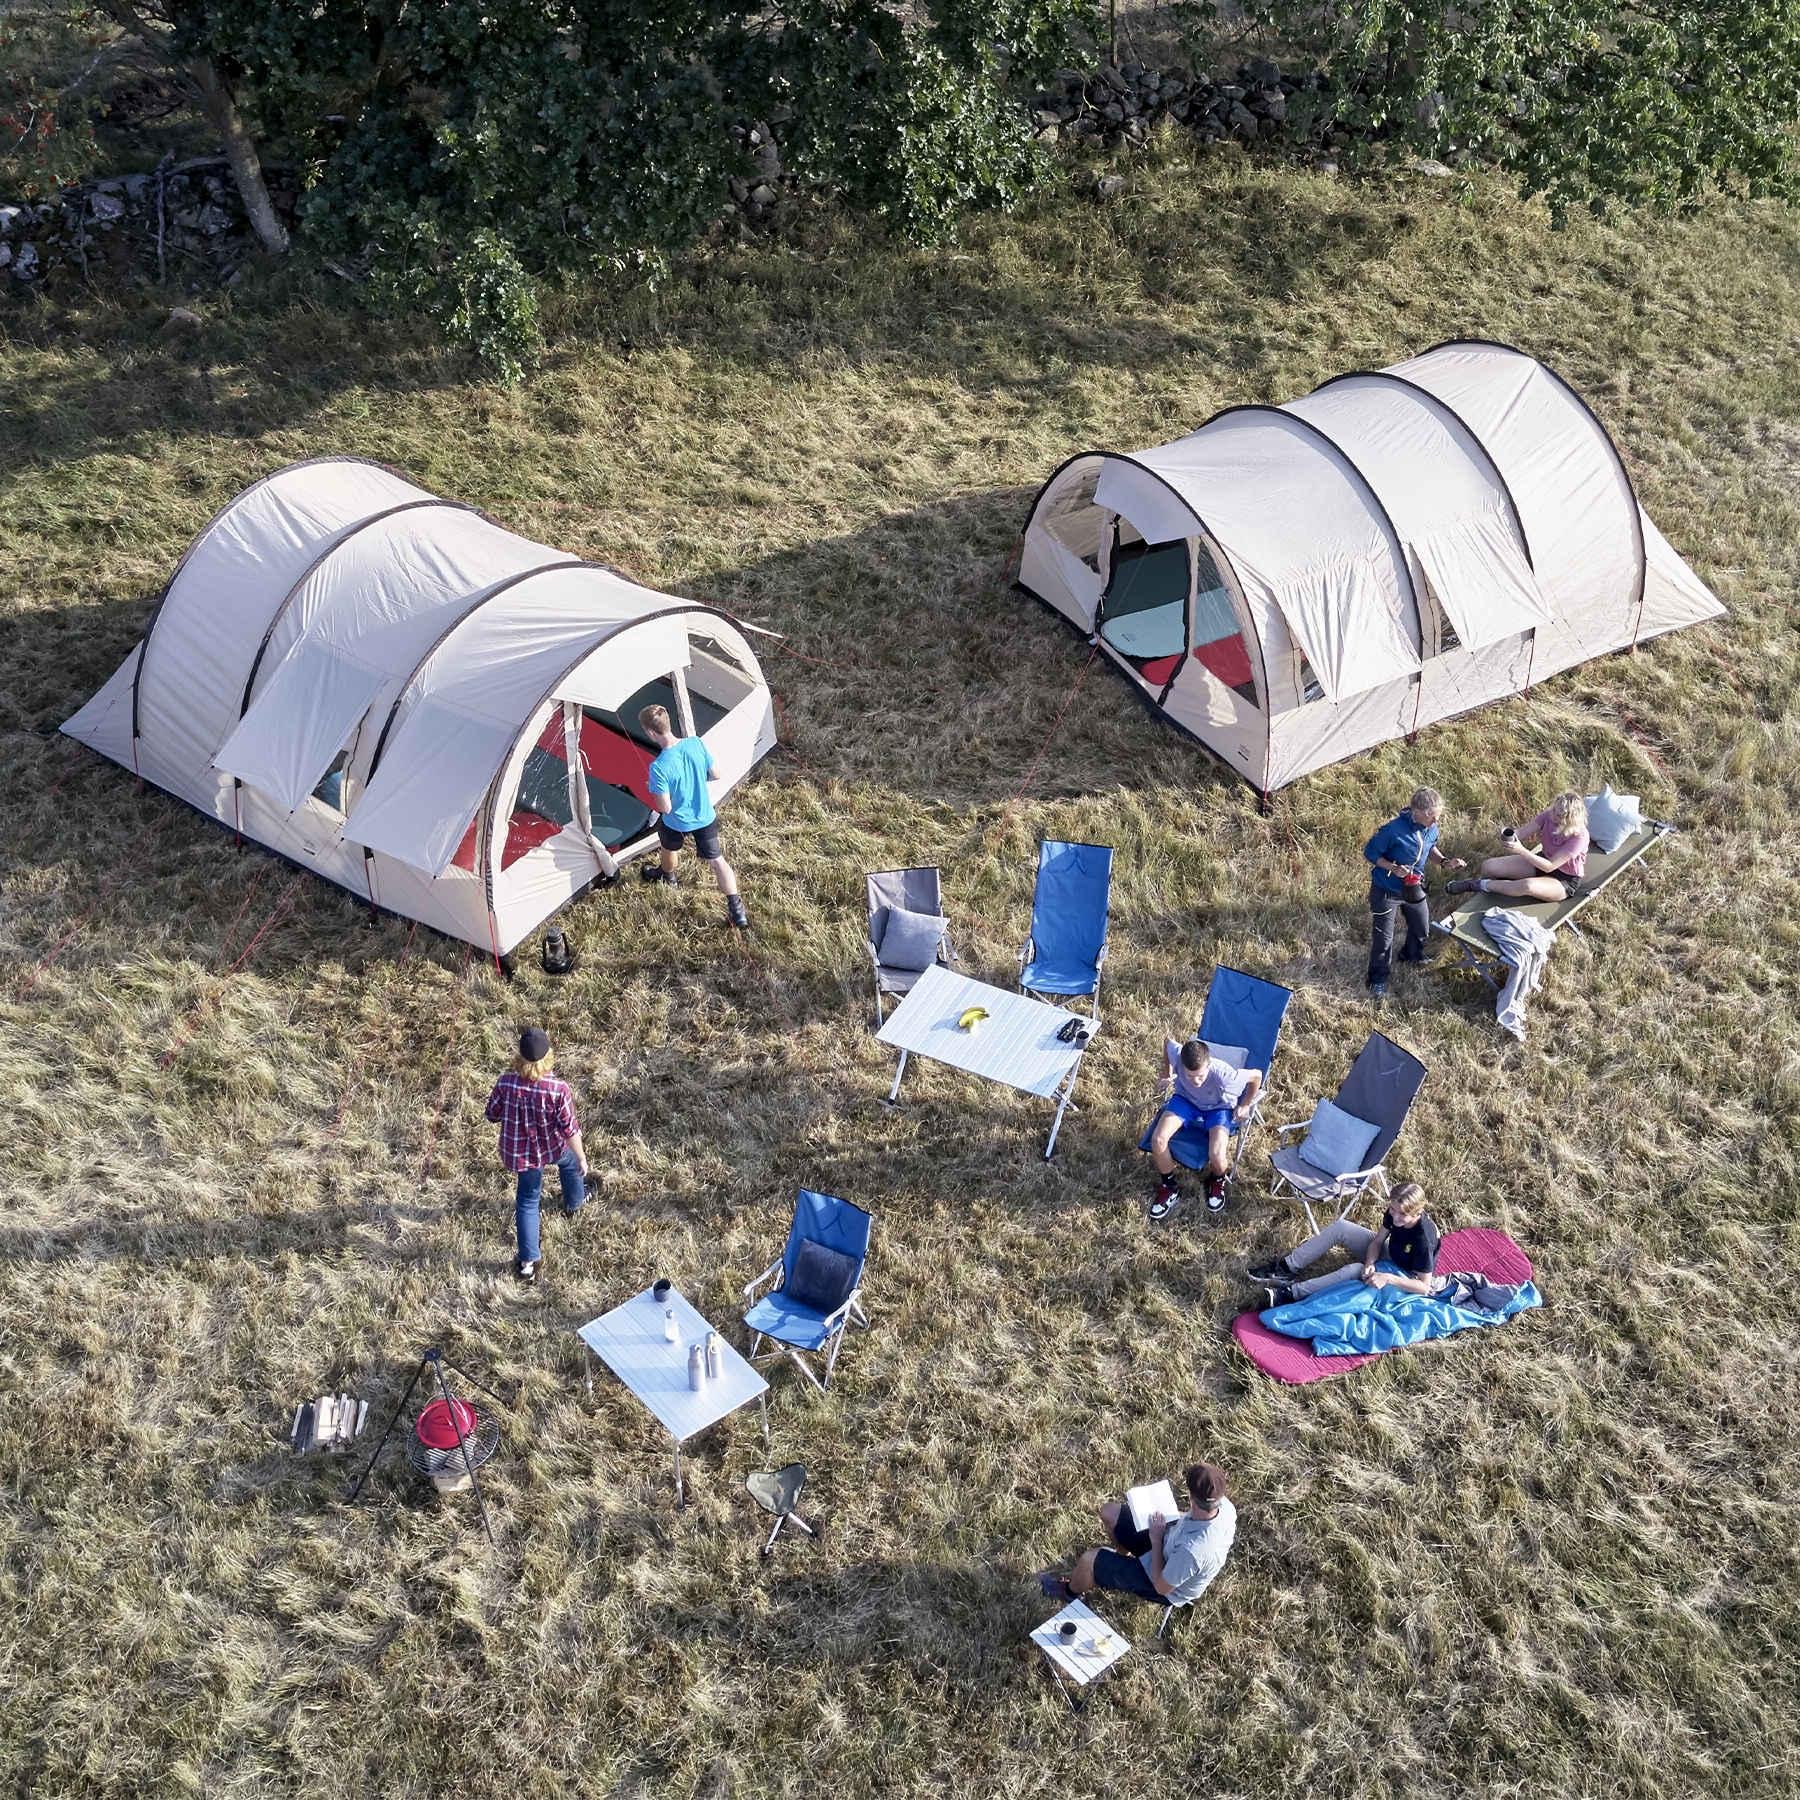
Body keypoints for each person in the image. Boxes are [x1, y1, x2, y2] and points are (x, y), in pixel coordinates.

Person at [1042, 1462, 1237, 1613]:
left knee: (1089, 1561)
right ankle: (1121, 1557)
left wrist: (1156, 1538)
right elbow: (1191, 1517)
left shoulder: (1193, 1551)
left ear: (1192, 1497)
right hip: (1169, 1543)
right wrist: (1169, 1515)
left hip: (1166, 1583)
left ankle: (1069, 1593)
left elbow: (1162, 1587)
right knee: (1109, 1512)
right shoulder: (1224, 1507)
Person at [484, 1025, 588, 1285]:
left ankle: (527, 1263)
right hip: (550, 1147)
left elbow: (491, 1114)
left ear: (519, 1057)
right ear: (548, 1056)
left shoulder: (506, 1082)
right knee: (570, 1161)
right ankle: (575, 1203)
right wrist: (582, 1157)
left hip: (520, 1155)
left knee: (528, 1201)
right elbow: (569, 1129)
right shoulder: (558, 1089)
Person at [1246, 1179, 1447, 1306]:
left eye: (1402, 1215)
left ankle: (1291, 1294)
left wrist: (1387, 1278)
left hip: (1405, 1276)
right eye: (1393, 1210)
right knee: (1341, 1227)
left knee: (1353, 1270)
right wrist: (1370, 1263)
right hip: (1391, 1255)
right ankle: (1286, 1267)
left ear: (1417, 1212)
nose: (1395, 1217)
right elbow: (1377, 1241)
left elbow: (1423, 1286)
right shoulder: (1395, 1211)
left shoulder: (1423, 1239)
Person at [638, 703, 749, 929]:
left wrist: (654, 788)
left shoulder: (658, 767)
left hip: (676, 822)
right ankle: (737, 911)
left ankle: (668, 877)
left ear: (650, 732)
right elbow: (716, 774)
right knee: (717, 860)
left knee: (669, 849)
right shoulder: (695, 743)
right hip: (705, 816)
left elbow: (665, 808)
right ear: (668, 723)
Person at [1362, 786, 1466, 997]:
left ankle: (1411, 955)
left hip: (1413, 888)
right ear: (1417, 812)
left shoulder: (1431, 828)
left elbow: (1430, 848)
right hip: (1387, 891)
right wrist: (1393, 868)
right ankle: (1377, 979)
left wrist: (1445, 862)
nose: (1436, 821)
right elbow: (1370, 853)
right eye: (1433, 817)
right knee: (1384, 938)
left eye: (1438, 817)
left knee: (1421, 927)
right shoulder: (1392, 830)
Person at [1148, 1037, 1263, 1220]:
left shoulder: (1226, 1075)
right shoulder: (1178, 1055)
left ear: (1208, 1065)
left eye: (1201, 1076)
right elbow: (1167, 1042)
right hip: (1186, 1100)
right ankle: (1169, 1187)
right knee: (1158, 1140)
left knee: (1217, 1156)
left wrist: (1246, 1104)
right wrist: (1166, 1073)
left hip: (1218, 1108)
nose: (1196, 1081)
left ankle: (1216, 1181)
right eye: (1190, 1076)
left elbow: (1256, 1075)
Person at [1446, 790, 1589, 903]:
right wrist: (1507, 835)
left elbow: (1549, 866)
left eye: (1558, 815)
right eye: (1554, 810)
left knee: (1527, 886)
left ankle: (1477, 885)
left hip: (1563, 879)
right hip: (1541, 861)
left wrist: (1521, 850)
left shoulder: (1579, 837)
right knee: (1488, 866)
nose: (1553, 816)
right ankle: (1504, 887)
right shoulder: (1549, 816)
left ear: (1569, 820)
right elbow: (1521, 833)